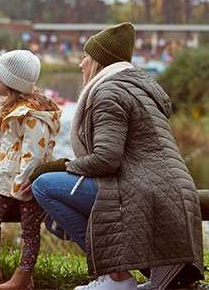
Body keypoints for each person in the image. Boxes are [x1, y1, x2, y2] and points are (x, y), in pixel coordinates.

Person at [31, 22, 204, 290]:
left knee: (44, 185)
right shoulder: (136, 88)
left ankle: (115, 277)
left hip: (145, 191)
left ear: (99, 62)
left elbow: (106, 159)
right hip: (172, 189)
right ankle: (145, 275)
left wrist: (67, 166)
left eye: (85, 57)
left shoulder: (108, 93)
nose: (81, 64)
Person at [0, 50, 62, 290]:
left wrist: (22, 182)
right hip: (4, 179)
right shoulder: (9, 107)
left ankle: (24, 275)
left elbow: (35, 152)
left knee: (29, 227)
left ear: (10, 83)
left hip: (27, 182)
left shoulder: (32, 115)